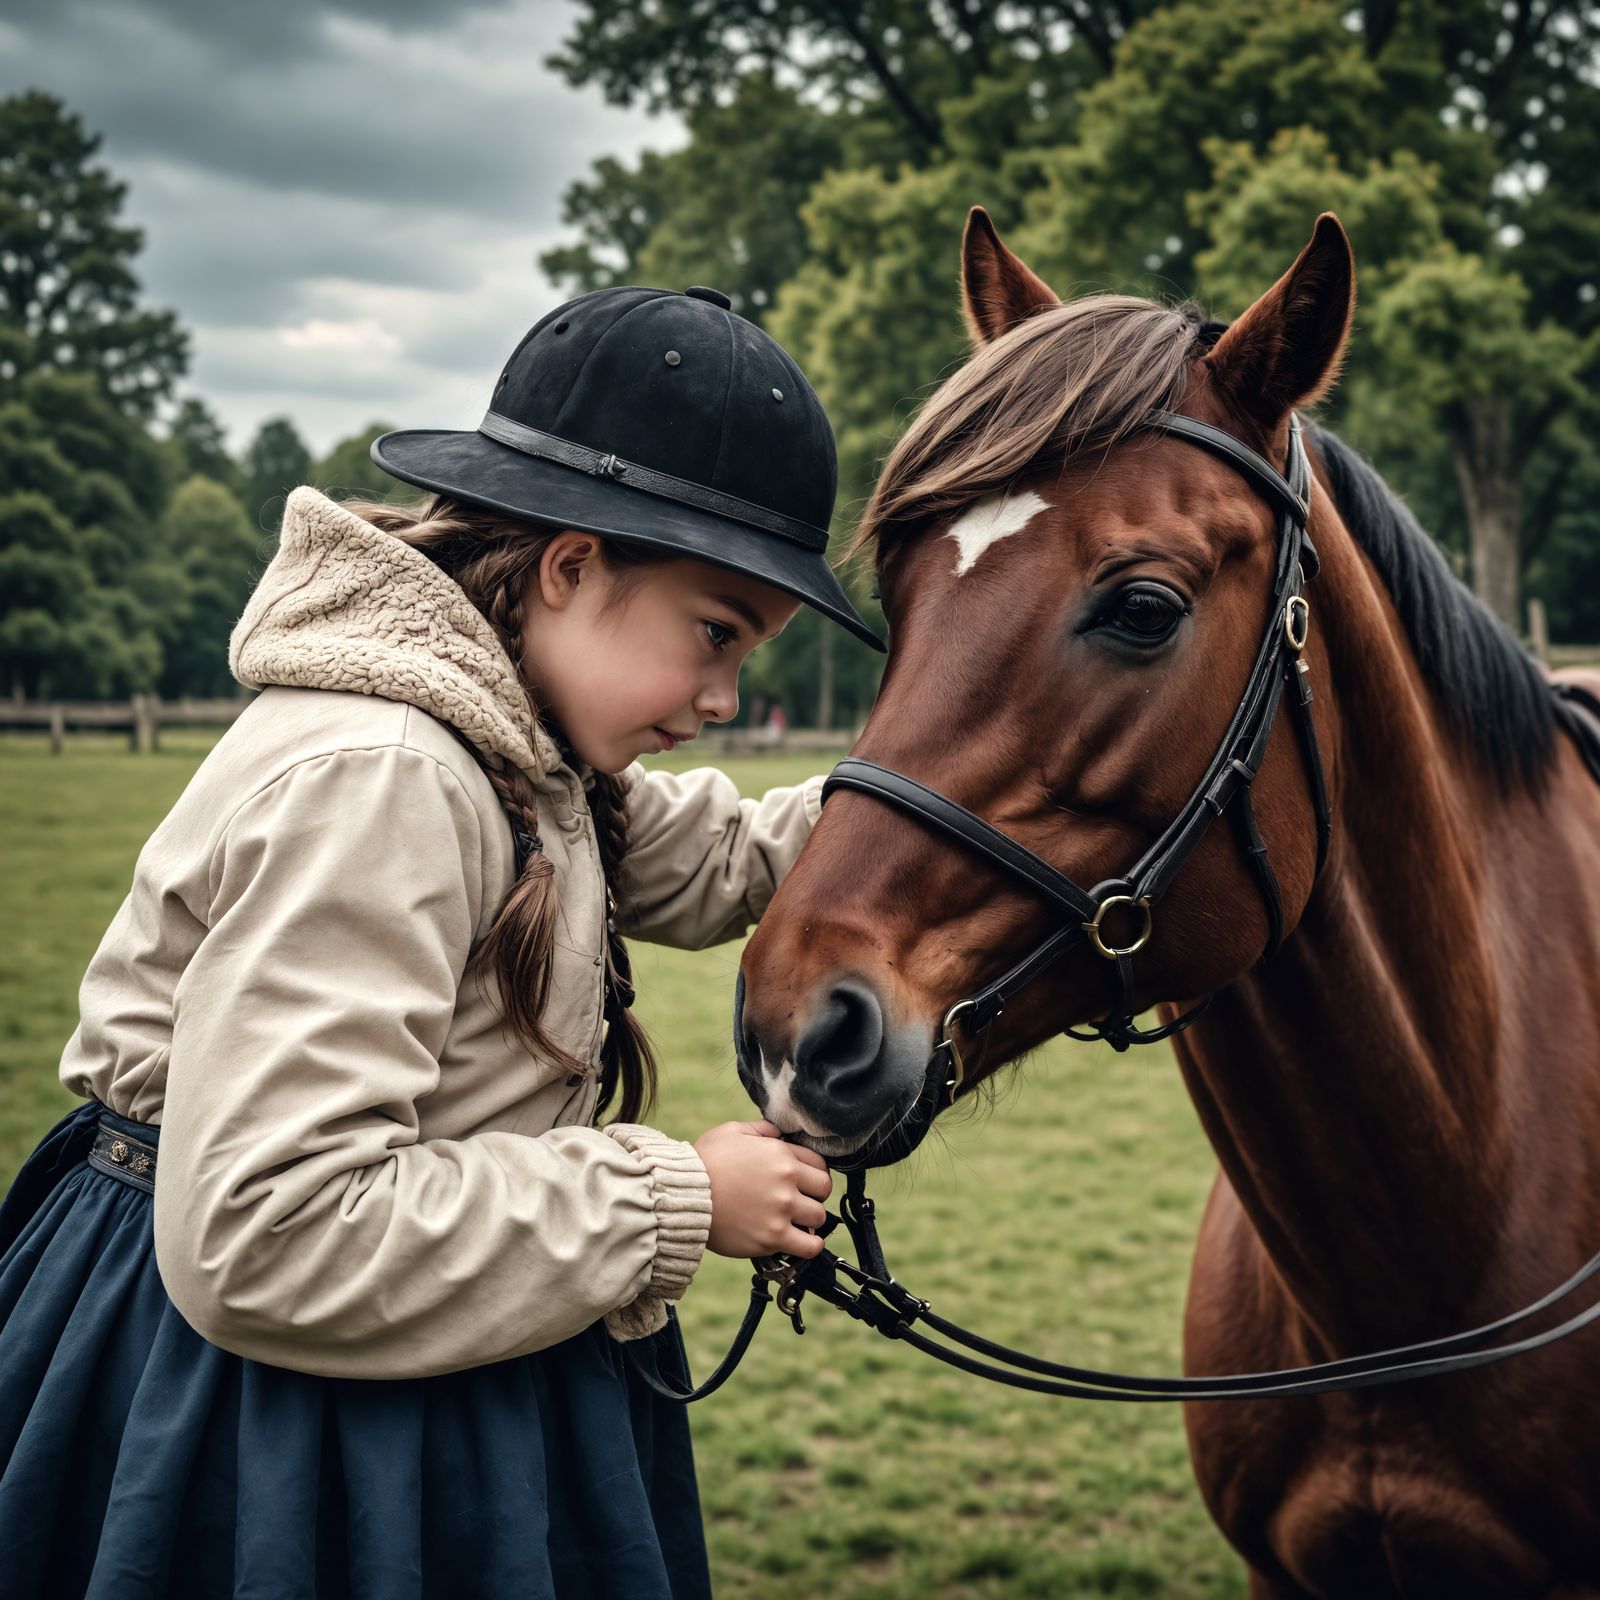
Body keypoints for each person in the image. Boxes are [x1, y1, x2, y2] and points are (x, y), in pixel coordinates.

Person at [0, 283, 884, 1599]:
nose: (722, 700)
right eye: (716, 636)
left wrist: (944, 783)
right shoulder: (390, 772)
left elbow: (714, 862)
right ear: (570, 566)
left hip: (410, 1344)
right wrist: (677, 1198)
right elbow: (271, 1229)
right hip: (277, 1406)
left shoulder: (521, 744)